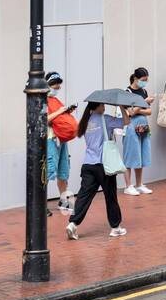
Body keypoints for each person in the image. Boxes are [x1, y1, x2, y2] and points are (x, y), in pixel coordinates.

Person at [64, 101, 128, 240]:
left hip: (88, 164)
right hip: (103, 165)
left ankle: (73, 223)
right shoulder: (105, 119)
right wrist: (122, 106)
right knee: (110, 196)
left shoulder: (85, 121)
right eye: (102, 105)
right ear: (97, 107)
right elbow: (126, 121)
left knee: (84, 196)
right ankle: (116, 228)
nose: (104, 107)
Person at [45, 71, 76, 214]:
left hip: (61, 139)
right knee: (48, 171)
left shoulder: (55, 100)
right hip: (50, 139)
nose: (57, 88)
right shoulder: (41, 100)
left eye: (58, 86)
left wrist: (67, 111)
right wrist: (60, 112)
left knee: (63, 171)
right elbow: (44, 119)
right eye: (55, 85)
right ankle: (41, 205)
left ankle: (65, 201)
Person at [121, 67, 153, 196]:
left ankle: (139, 184)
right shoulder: (127, 92)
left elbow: (149, 111)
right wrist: (143, 103)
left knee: (141, 154)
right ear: (135, 78)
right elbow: (129, 112)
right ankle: (128, 185)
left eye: (146, 80)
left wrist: (138, 109)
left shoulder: (143, 91)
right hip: (130, 126)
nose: (144, 82)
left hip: (143, 124)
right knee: (130, 155)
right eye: (143, 80)